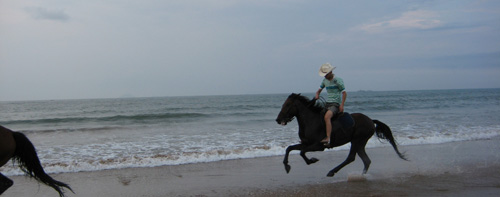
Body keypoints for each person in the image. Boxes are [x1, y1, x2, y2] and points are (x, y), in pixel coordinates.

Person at [314, 63, 347, 146]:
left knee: (327, 117)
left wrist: (341, 105)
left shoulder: (338, 80)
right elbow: (318, 90)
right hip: (327, 103)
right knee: (317, 115)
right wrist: (317, 95)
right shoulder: (325, 81)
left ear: (331, 72)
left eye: (326, 74)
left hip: (335, 104)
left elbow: (344, 93)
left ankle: (328, 138)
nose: (324, 76)